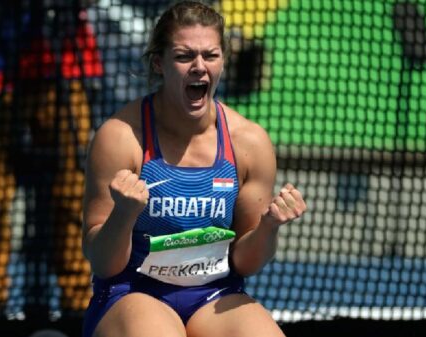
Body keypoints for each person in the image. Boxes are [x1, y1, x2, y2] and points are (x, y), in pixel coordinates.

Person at [81, 1, 307, 337]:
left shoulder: (249, 142)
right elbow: (103, 263)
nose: (199, 67)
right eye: (184, 56)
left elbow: (244, 262)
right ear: (159, 63)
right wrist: (124, 214)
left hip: (214, 295)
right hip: (131, 292)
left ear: (222, 62)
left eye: (210, 56)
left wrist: (268, 227)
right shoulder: (120, 137)